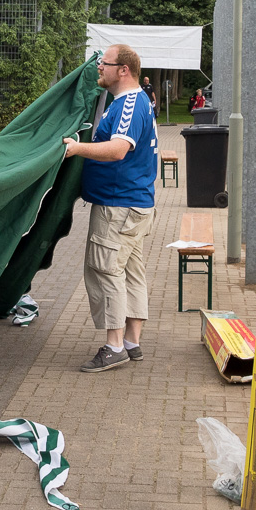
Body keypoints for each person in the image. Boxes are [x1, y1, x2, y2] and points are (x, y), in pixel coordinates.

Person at [63, 44, 158, 373]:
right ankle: (131, 342)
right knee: (131, 272)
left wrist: (77, 149)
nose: (99, 68)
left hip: (119, 206)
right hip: (134, 204)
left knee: (105, 271)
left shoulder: (130, 104)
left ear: (124, 70)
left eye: (105, 64)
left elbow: (118, 150)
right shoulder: (138, 101)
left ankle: (114, 346)